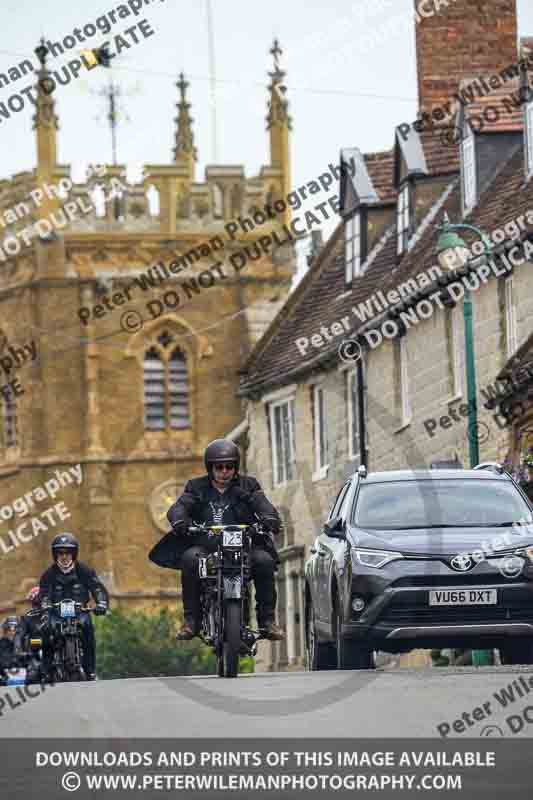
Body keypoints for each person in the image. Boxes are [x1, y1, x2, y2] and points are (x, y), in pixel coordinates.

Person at [149, 439, 285, 641]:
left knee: (264, 561)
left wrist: (270, 519)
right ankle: (191, 622)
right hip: (206, 548)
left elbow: (263, 504)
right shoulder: (196, 487)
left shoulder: (248, 485)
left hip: (244, 547)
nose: (224, 471)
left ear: (235, 467)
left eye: (229, 466)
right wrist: (179, 520)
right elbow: (180, 507)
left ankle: (267, 622)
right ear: (210, 467)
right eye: (219, 467)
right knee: (190, 559)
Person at [39, 533, 109, 681]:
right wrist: (45, 606)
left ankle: (90, 670)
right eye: (60, 553)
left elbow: (97, 588)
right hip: (56, 613)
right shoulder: (48, 574)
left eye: (68, 552)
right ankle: (45, 671)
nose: (64, 556)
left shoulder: (84, 570)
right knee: (45, 631)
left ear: (74, 554)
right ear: (55, 554)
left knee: (89, 631)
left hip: (80, 613)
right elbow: (44, 594)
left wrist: (101, 603)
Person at [15, 587, 48, 684]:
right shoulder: (27, 618)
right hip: (36, 651)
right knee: (32, 675)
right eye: (36, 602)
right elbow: (19, 634)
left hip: (54, 648)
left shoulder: (53, 614)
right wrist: (18, 649)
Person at [0, 616, 19, 681]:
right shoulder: (2, 643)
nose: (12, 632)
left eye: (14, 630)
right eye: (9, 630)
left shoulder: (26, 641)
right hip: (6, 676)